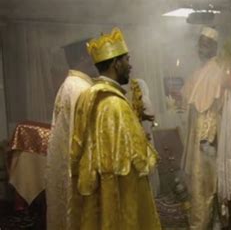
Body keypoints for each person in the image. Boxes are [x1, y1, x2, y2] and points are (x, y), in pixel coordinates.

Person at [70, 27, 161, 229]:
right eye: (126, 60)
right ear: (115, 63)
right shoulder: (115, 104)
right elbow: (136, 158)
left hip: (98, 184)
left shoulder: (88, 96)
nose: (130, 65)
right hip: (120, 188)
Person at [181, 26, 231, 229]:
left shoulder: (218, 72)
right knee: (199, 184)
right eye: (199, 44)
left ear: (214, 47)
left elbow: (216, 110)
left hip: (207, 143)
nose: (201, 48)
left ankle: (203, 224)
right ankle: (213, 222)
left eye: (205, 45)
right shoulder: (199, 71)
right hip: (195, 140)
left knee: (205, 184)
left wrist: (208, 139)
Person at [46, 38, 96, 230]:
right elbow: (85, 137)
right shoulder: (80, 89)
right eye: (94, 54)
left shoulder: (70, 84)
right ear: (84, 57)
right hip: (80, 172)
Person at [123, 78, 161, 197]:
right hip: (146, 133)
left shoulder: (131, 101)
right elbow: (152, 115)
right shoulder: (145, 100)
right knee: (149, 159)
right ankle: (153, 192)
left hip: (139, 135)